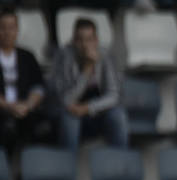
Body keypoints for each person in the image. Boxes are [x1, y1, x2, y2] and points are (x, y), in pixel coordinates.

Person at [0, 6, 49, 151]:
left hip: (25, 109)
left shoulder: (27, 56)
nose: (7, 32)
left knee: (40, 124)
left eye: (11, 27)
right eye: (2, 28)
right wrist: (7, 106)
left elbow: (38, 86)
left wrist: (27, 104)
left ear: (17, 29)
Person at [48, 17, 127, 153]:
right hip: (67, 112)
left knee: (117, 115)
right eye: (80, 40)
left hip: (94, 111)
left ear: (96, 41)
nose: (85, 45)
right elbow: (66, 100)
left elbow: (114, 95)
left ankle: (120, 164)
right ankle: (67, 168)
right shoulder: (64, 57)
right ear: (73, 41)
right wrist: (86, 70)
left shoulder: (105, 56)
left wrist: (88, 108)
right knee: (70, 119)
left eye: (89, 39)